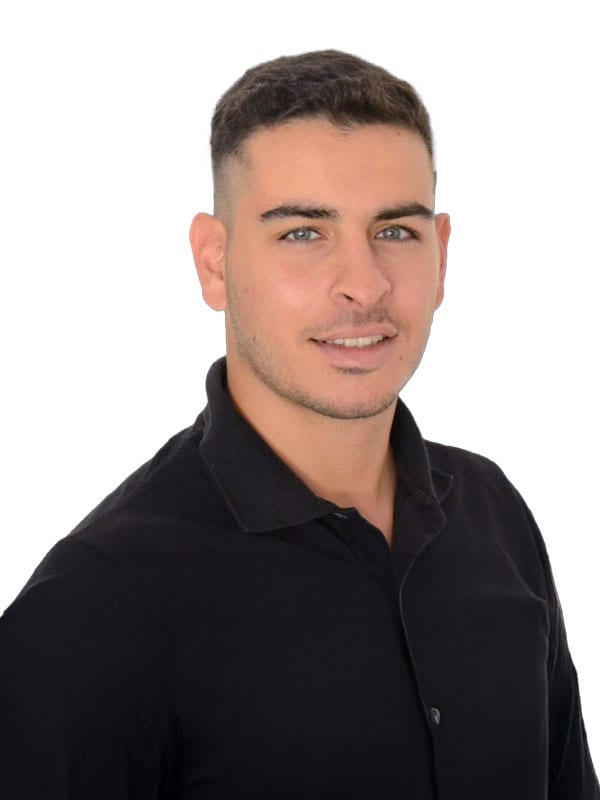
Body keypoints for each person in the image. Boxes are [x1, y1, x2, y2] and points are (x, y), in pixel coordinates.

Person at [0, 49, 598, 800]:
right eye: (304, 234)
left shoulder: (494, 514)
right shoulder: (93, 608)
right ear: (214, 265)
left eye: (397, 232)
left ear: (442, 254)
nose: (364, 284)